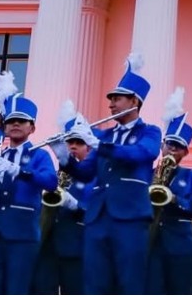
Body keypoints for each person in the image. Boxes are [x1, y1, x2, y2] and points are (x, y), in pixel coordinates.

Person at [58, 53, 162, 294]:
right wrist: (64, 158)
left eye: (117, 98)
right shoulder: (104, 135)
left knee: (129, 282)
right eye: (111, 99)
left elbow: (142, 154)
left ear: (134, 101)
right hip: (98, 217)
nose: (111, 104)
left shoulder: (150, 131)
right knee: (95, 282)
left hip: (130, 217)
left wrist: (98, 145)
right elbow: (85, 173)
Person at [0, 71, 58, 294]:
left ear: (32, 127)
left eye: (21, 121)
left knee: (17, 290)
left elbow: (51, 182)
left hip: (22, 235)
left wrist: (21, 171)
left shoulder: (39, 155)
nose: (14, 125)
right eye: (10, 121)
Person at [32, 100, 95, 295]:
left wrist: (76, 205)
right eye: (70, 142)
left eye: (79, 143)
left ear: (89, 148)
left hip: (76, 245)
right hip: (48, 243)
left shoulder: (94, 175)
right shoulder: (57, 172)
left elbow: (96, 209)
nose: (73, 147)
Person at [147, 87, 192, 295]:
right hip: (152, 241)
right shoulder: (148, 173)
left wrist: (174, 199)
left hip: (180, 244)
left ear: (185, 152)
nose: (173, 149)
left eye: (178, 147)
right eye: (170, 144)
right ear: (162, 146)